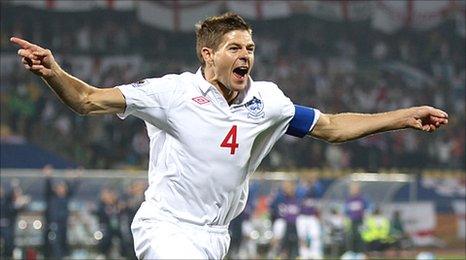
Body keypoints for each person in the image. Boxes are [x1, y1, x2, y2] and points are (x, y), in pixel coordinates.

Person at [11, 12, 448, 259]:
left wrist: (402, 116)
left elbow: (330, 126)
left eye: (250, 49)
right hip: (167, 228)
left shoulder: (269, 102)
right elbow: (87, 100)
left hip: (217, 235)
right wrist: (54, 72)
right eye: (235, 48)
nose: (246, 56)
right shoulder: (171, 93)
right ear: (209, 54)